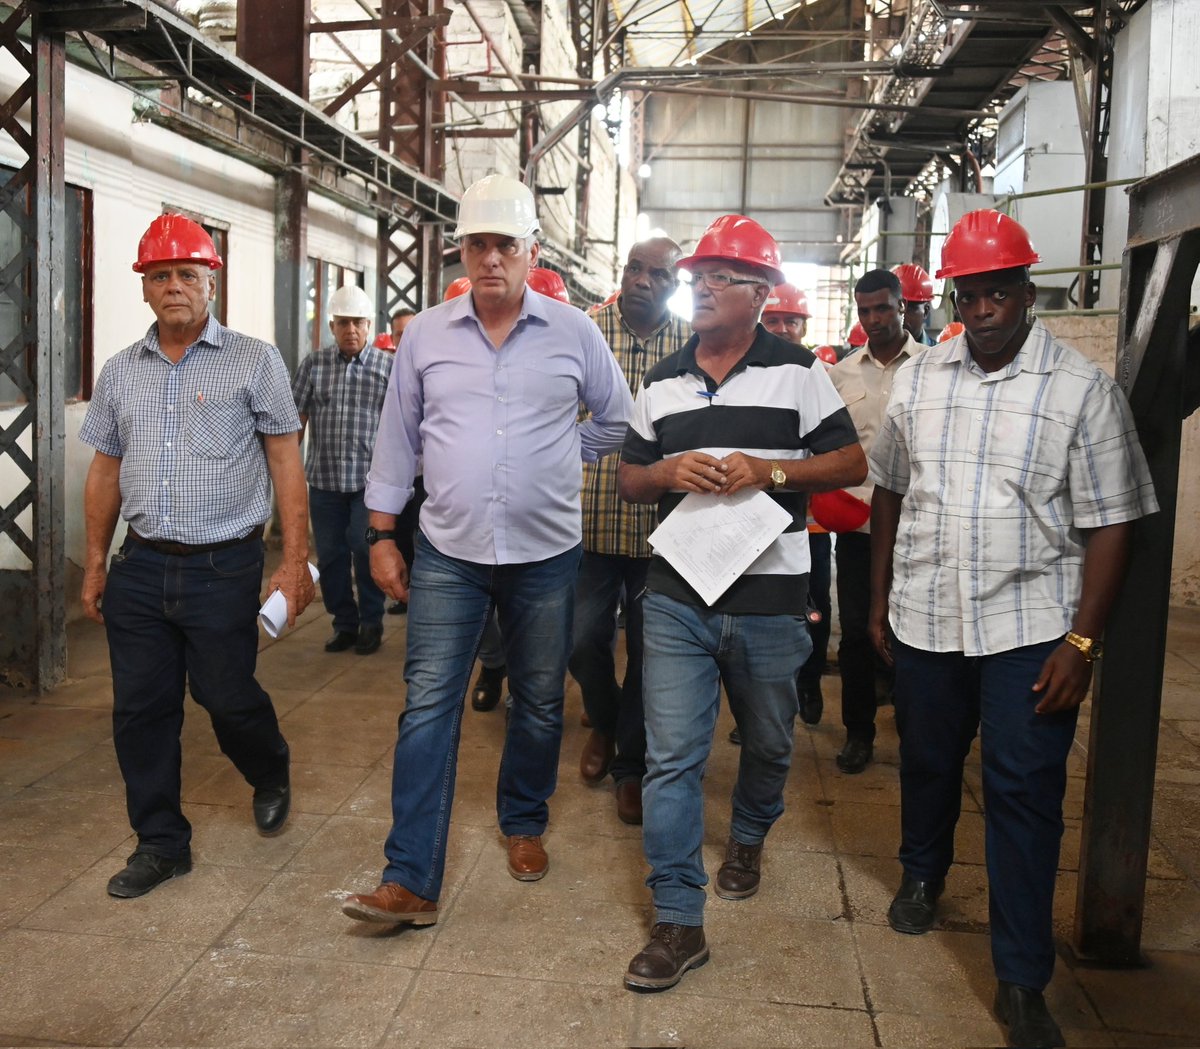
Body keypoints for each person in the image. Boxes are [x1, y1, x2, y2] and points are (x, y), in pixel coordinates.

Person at [868, 210, 1157, 1048]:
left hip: (1030, 626)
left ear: (1029, 291)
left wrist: (1083, 641)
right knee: (925, 757)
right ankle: (923, 872)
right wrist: (881, 594)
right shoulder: (920, 379)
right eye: (972, 291)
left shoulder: (1079, 389)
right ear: (955, 295)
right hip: (925, 613)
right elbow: (888, 486)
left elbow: (1114, 522)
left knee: (1024, 793)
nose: (987, 304)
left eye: (1002, 289)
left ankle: (1022, 976)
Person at [340, 173, 633, 926]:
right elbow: (397, 440)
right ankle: (410, 876)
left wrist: (563, 452)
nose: (492, 258)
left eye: (506, 244)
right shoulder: (427, 335)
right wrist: (379, 534)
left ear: (531, 249)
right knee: (428, 704)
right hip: (448, 550)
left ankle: (525, 819)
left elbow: (616, 417)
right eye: (479, 244)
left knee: (538, 700)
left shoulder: (573, 331)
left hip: (546, 552)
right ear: (460, 251)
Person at [617, 214, 866, 992]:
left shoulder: (798, 371)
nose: (701, 289)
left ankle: (751, 832)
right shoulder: (659, 381)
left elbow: (853, 461)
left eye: (720, 278)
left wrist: (773, 472)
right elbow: (629, 477)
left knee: (768, 742)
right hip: (676, 594)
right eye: (698, 277)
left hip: (768, 597)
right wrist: (667, 473)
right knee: (672, 758)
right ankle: (678, 921)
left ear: (760, 293)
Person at [80, 214, 315, 899]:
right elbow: (103, 473)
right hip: (142, 563)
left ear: (211, 281)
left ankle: (269, 766)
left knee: (225, 694)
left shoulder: (254, 360)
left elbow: (285, 462)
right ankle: (160, 842)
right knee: (141, 709)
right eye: (161, 276)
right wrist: (95, 562)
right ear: (145, 289)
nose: (174, 286)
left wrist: (294, 562)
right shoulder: (121, 372)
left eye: (187, 273)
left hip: (224, 566)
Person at [571, 235, 688, 825]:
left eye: (658, 274)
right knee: (579, 640)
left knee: (648, 653)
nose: (642, 281)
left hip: (659, 536)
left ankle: (630, 764)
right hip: (586, 526)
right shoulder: (583, 332)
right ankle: (609, 722)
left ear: (676, 282)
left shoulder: (694, 345)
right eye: (634, 268)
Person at [821, 268, 923, 775]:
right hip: (860, 531)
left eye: (883, 308)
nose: (874, 319)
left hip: (919, 531)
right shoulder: (840, 375)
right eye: (865, 311)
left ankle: (916, 731)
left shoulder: (933, 368)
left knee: (915, 635)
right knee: (860, 633)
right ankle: (858, 733)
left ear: (903, 306)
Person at [292, 283, 393, 656]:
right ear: (332, 327)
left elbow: (401, 428)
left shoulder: (388, 367)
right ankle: (344, 623)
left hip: (369, 485)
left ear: (368, 326)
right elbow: (295, 423)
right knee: (331, 555)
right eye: (343, 323)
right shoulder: (313, 366)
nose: (351, 330)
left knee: (364, 551)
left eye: (358, 323)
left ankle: (371, 622)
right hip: (324, 484)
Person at [761, 281, 828, 727]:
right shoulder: (743, 374)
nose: (783, 328)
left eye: (792, 320)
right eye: (774, 319)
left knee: (813, 608)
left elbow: (840, 457)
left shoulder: (814, 374)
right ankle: (758, 705)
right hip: (749, 525)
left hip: (811, 524)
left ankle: (809, 682)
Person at [892, 263, 936, 345]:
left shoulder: (940, 355)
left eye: (910, 309)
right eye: (897, 307)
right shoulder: (866, 355)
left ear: (926, 311)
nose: (902, 316)